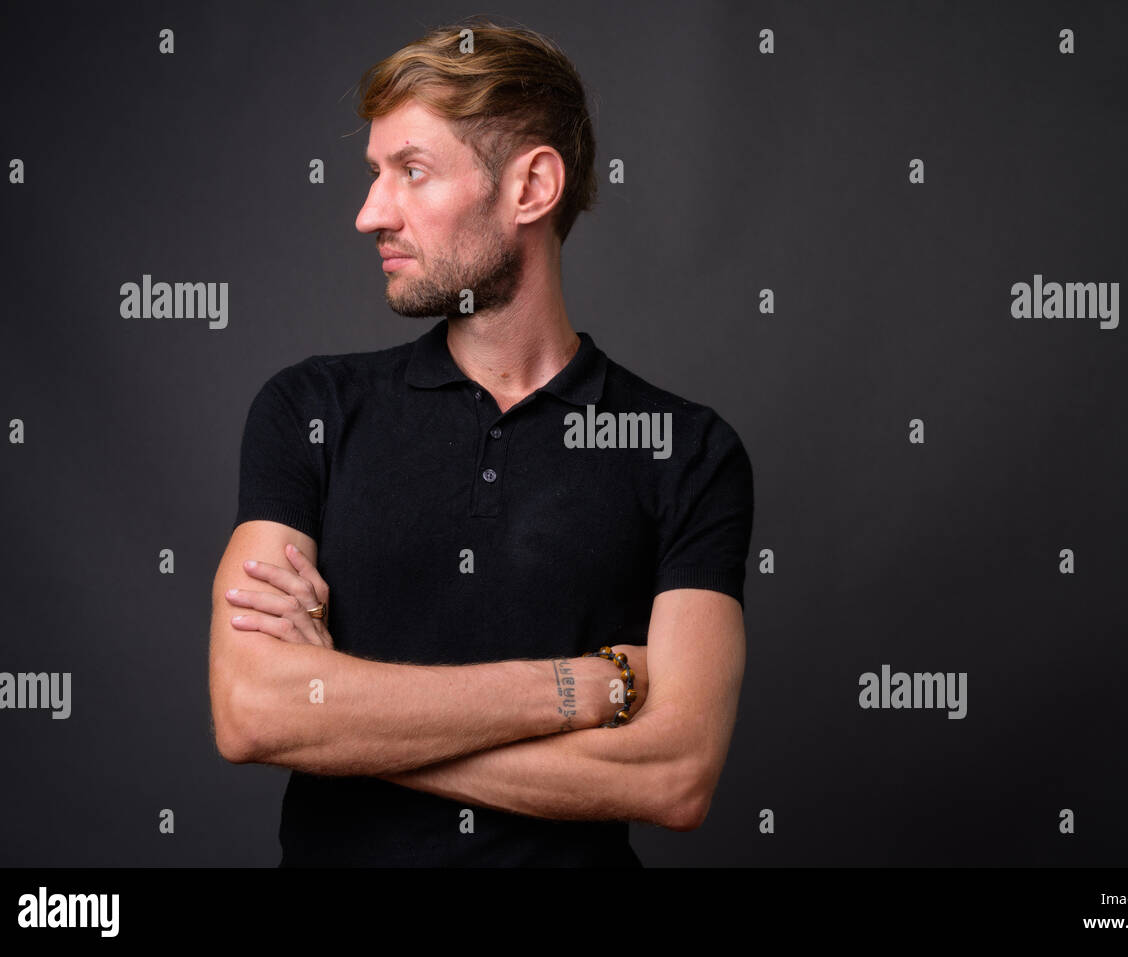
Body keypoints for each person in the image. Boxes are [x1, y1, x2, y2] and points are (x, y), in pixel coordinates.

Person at [208, 16, 754, 867]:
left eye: (412, 172)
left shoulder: (688, 451)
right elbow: (253, 709)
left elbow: (675, 776)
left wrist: (351, 724)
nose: (367, 214)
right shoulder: (309, 409)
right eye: (373, 174)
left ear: (531, 187)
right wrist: (591, 685)